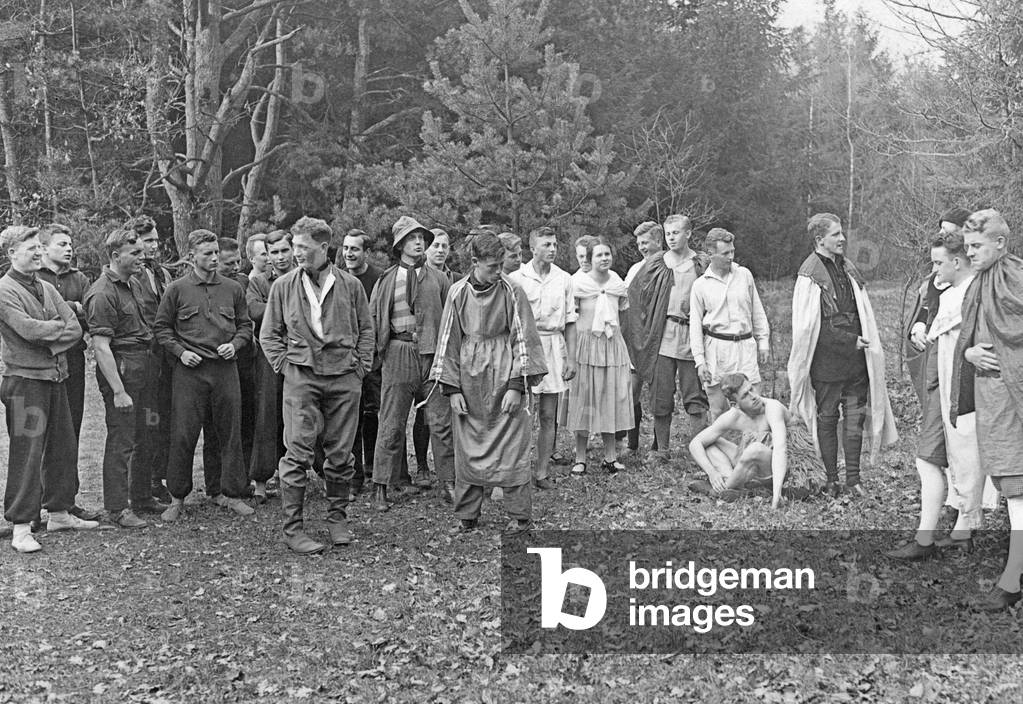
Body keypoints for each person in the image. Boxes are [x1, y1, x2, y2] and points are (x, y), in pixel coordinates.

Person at [260, 216, 375, 554]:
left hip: (344, 378)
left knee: (340, 454)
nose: (296, 254)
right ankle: (293, 529)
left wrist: (360, 368)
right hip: (301, 378)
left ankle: (337, 519)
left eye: (303, 248)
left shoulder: (350, 285)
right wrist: (286, 367)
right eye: (294, 247)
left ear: (324, 248)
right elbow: (269, 334)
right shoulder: (283, 286)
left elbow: (366, 330)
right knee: (297, 452)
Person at [431, 232, 547, 533]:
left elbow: (524, 339)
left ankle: (519, 515)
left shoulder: (512, 291)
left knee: (512, 445)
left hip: (504, 374)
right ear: (474, 263)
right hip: (469, 380)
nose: (498, 272)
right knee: (469, 446)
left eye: (500, 266)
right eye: (492, 267)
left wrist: (515, 386)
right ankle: (467, 515)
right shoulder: (457, 292)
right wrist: (452, 389)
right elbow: (448, 341)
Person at [888, 230, 988, 561]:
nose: (934, 271)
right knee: (935, 458)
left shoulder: (975, 294)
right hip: (943, 388)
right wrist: (919, 326)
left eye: (938, 263)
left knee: (959, 457)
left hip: (967, 392)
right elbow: (932, 322)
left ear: (957, 262)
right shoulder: (950, 293)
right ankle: (948, 533)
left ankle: (947, 534)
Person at [0, 225, 98, 553]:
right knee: (27, 454)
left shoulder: (44, 286)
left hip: (55, 378)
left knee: (63, 445)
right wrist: (58, 329)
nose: (38, 253)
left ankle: (59, 513)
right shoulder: (5, 289)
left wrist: (52, 336)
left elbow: (75, 327)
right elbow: (28, 330)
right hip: (25, 382)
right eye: (31, 249)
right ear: (11, 253)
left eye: (39, 248)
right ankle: (20, 527)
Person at [787, 213, 898, 498]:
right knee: (827, 417)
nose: (843, 239)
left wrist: (859, 342)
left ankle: (853, 478)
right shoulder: (809, 273)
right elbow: (810, 327)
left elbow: (860, 311)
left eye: (841, 233)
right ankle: (831, 479)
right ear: (819, 239)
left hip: (855, 361)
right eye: (836, 234)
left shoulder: (846, 267)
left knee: (854, 418)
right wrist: (849, 340)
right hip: (827, 362)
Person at [153, 229, 255, 522]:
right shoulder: (177, 289)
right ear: (191, 257)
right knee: (183, 434)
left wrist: (234, 345)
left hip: (225, 370)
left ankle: (229, 493)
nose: (214, 258)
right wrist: (181, 352)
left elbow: (245, 327)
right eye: (207, 253)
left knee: (229, 432)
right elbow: (162, 329)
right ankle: (177, 497)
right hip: (190, 372)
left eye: (215, 253)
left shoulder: (233, 289)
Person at [950, 209, 1023, 610]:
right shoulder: (979, 283)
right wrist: (970, 351)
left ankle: (1012, 579)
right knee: (1013, 488)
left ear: (1000, 243)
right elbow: (970, 337)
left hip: (1014, 401)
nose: (970, 253)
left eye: (977, 246)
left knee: (1018, 490)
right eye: (967, 246)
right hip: (992, 402)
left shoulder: (1017, 279)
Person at [369, 216, 455, 510]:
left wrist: (445, 358)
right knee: (391, 422)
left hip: (432, 355)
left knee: (441, 422)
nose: (419, 243)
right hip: (398, 352)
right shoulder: (386, 280)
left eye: (422, 238)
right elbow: (373, 320)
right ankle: (381, 485)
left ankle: (448, 483)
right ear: (400, 245)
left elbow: (450, 322)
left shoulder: (441, 279)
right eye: (411, 238)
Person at [83, 228, 157, 528]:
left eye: (142, 251)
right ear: (115, 256)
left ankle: (142, 497)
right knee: (122, 437)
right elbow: (100, 347)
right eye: (135, 253)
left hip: (145, 367)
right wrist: (118, 391)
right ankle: (116, 508)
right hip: (123, 371)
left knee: (148, 429)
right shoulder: (102, 292)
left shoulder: (135, 284)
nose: (142, 257)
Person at [625, 214, 709, 457]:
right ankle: (662, 449)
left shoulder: (701, 264)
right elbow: (634, 295)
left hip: (692, 337)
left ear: (688, 234)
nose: (672, 238)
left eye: (676, 233)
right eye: (668, 233)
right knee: (660, 394)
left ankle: (699, 449)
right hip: (662, 336)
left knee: (695, 395)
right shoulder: (656, 262)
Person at [37, 223, 101, 521]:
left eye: (70, 244)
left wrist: (72, 309)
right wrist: (69, 309)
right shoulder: (33, 277)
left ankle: (66, 500)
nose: (68, 248)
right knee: (38, 432)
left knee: (70, 430)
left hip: (73, 363)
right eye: (62, 244)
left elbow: (90, 316)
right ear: (44, 247)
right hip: (40, 363)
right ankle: (35, 503)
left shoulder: (80, 278)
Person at [508, 226, 578, 489]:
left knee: (549, 414)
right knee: (521, 415)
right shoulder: (517, 278)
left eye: (555, 244)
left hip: (553, 346)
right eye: (546, 244)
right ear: (532, 247)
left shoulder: (564, 278)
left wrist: (571, 358)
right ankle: (515, 472)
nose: (552, 249)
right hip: (525, 346)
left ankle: (541, 471)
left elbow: (570, 321)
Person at [688, 373, 813, 508]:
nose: (753, 396)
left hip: (788, 466)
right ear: (735, 404)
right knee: (711, 443)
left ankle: (720, 490)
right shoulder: (733, 415)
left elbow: (781, 448)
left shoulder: (772, 407)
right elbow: (695, 443)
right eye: (745, 395)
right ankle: (731, 484)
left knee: (755, 449)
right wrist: (711, 472)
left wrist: (777, 496)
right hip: (759, 464)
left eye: (751, 389)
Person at [566, 237, 632, 475]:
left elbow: (622, 314)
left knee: (610, 398)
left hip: (612, 346)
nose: (604, 259)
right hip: (586, 347)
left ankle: (610, 456)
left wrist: (616, 338)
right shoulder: (578, 283)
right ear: (590, 259)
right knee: (585, 400)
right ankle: (580, 457)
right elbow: (570, 319)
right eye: (599, 255)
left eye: (607, 254)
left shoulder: (617, 282)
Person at [689, 228, 770, 419]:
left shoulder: (744, 275)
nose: (731, 256)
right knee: (719, 410)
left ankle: (751, 447)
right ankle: (720, 448)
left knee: (753, 405)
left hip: (745, 347)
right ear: (711, 254)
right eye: (725, 253)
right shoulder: (701, 285)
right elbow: (694, 327)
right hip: (716, 351)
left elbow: (757, 311)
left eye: (732, 251)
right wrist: (700, 362)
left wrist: (763, 341)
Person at [199, 238, 256, 503]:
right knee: (214, 427)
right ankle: (215, 486)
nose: (234, 267)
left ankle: (239, 481)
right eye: (227, 262)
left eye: (237, 262)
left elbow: (246, 322)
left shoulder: (241, 284)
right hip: (215, 365)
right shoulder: (202, 288)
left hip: (243, 361)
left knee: (242, 424)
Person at [129, 215, 175, 504]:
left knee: (162, 420)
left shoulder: (162, 274)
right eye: (148, 241)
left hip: (166, 359)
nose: (154, 246)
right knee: (144, 423)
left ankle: (157, 478)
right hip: (144, 359)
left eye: (156, 240)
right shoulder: (131, 277)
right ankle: (140, 485)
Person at [246, 229, 294, 501]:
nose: (279, 257)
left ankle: (323, 474)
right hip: (270, 355)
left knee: (309, 413)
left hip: (303, 354)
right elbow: (254, 311)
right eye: (273, 252)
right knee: (267, 414)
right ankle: (262, 479)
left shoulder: (307, 278)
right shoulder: (260, 282)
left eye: (284, 250)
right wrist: (288, 307)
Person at [906, 208, 970, 406]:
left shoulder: (970, 274)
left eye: (950, 232)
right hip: (933, 354)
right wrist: (918, 327)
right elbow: (926, 306)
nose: (943, 235)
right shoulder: (936, 273)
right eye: (942, 230)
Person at [339, 228, 383, 500]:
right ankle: (353, 477)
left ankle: (374, 469)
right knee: (350, 418)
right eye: (345, 248)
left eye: (354, 249)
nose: (349, 253)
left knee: (372, 413)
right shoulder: (336, 278)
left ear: (366, 252)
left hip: (374, 357)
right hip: (345, 359)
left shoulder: (378, 278)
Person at [624, 222, 664, 455]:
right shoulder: (635, 269)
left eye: (646, 242)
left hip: (660, 338)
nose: (642, 248)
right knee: (632, 392)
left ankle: (659, 444)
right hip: (638, 339)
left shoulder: (669, 267)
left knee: (659, 394)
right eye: (639, 243)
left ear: (659, 241)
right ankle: (632, 443)